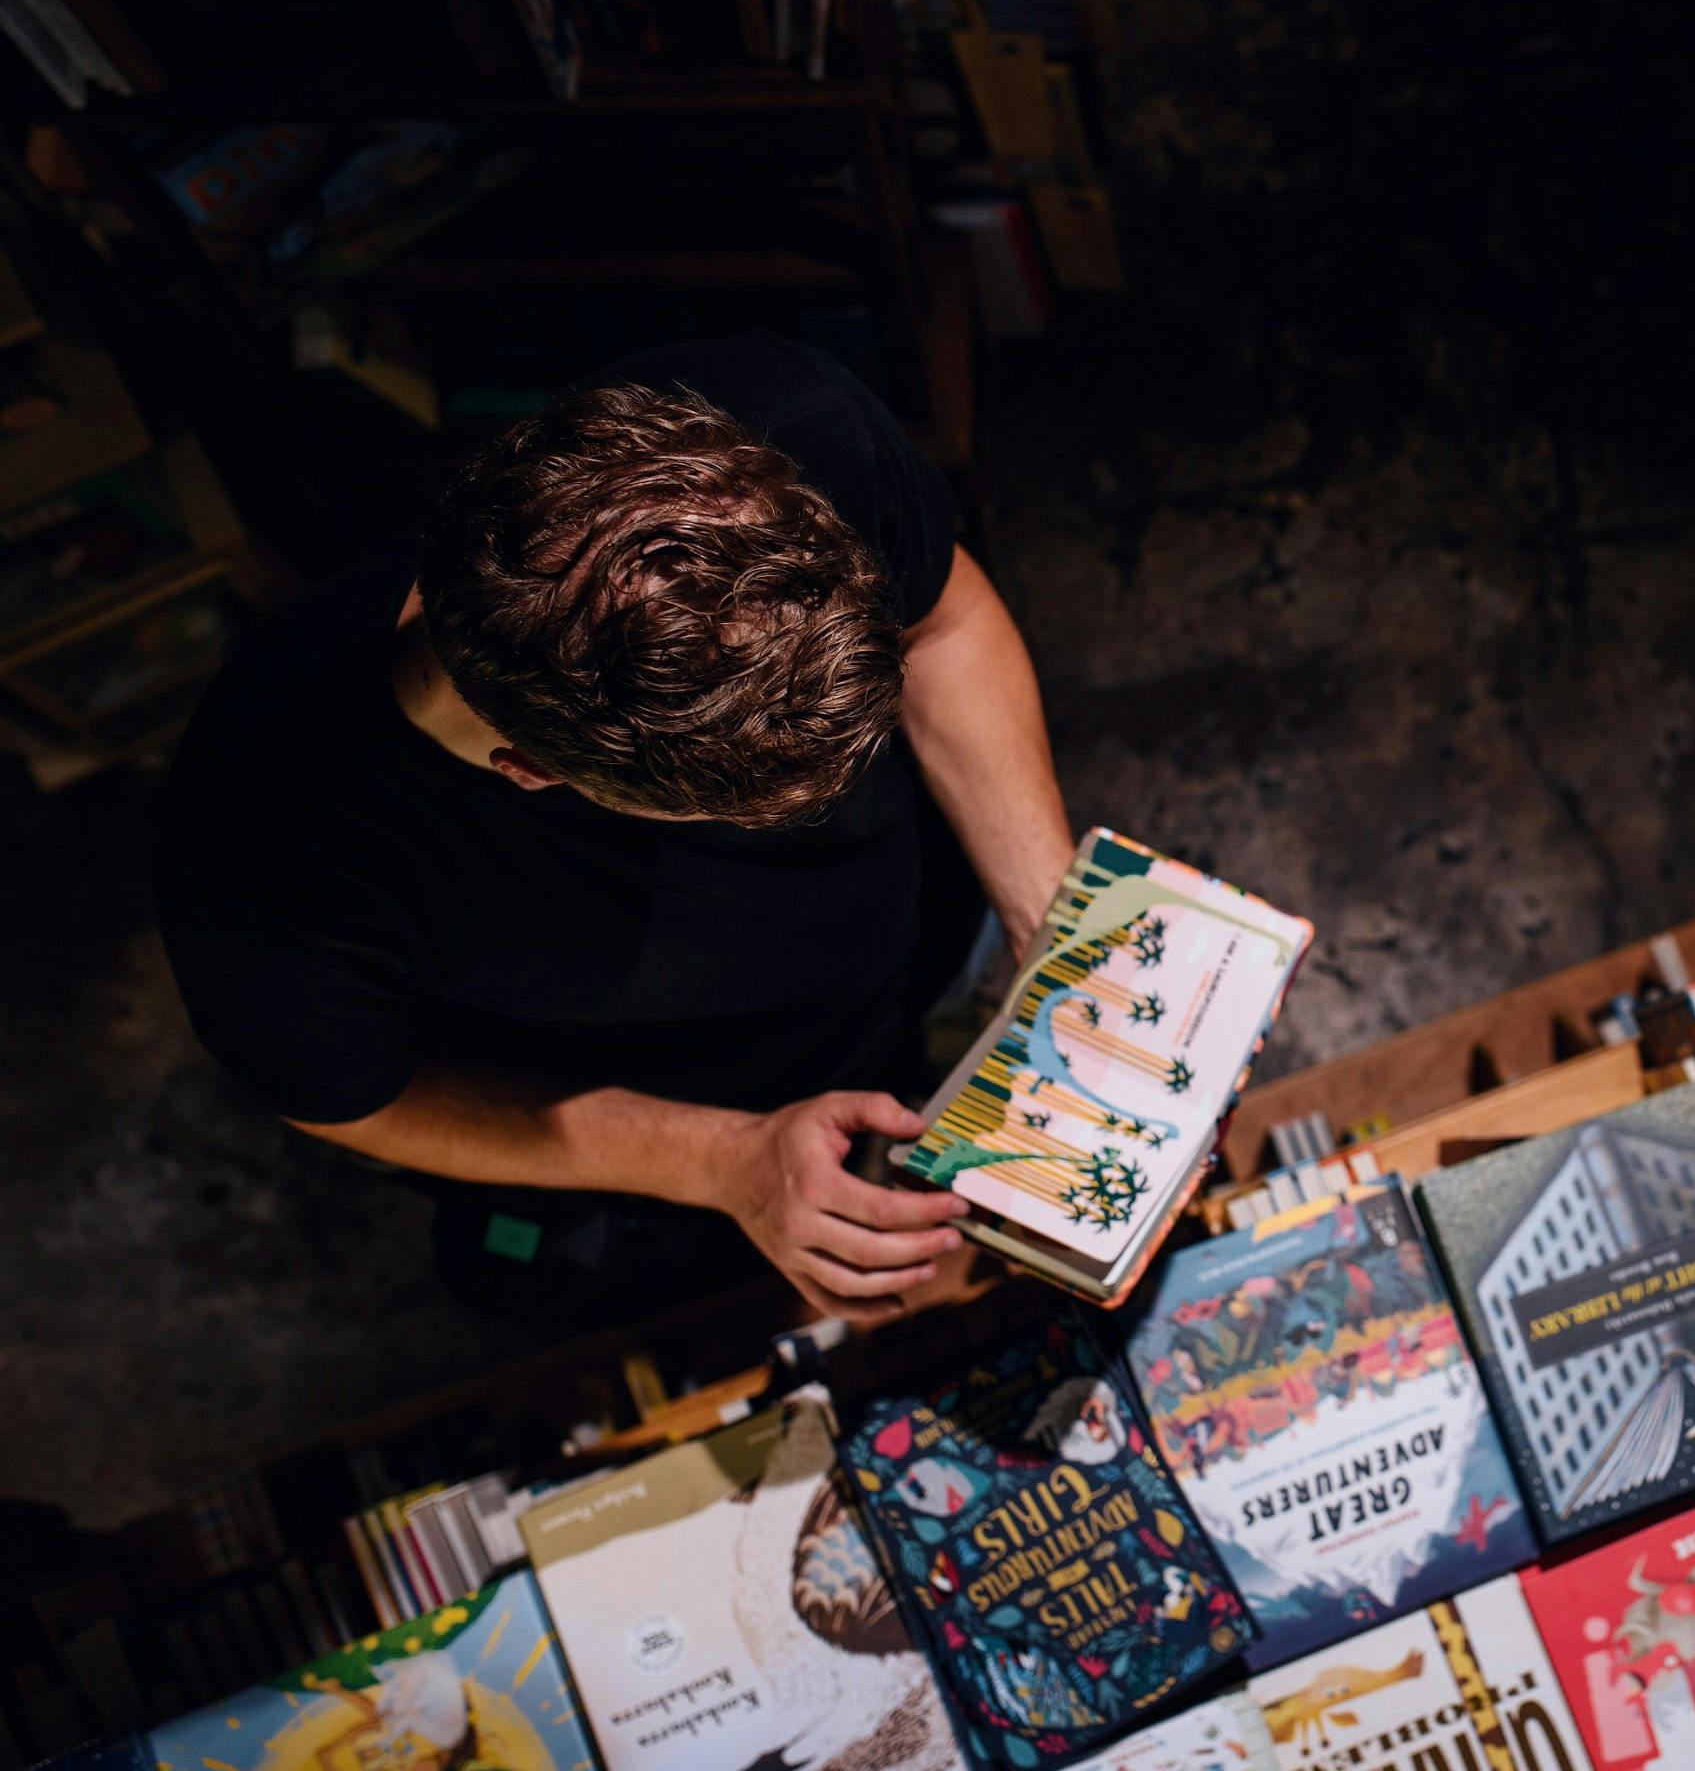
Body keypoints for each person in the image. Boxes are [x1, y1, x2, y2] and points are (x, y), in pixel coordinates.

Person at [154, 334, 1074, 1327]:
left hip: (898, 946)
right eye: (749, 813)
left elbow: (942, 620)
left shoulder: (787, 423)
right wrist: (726, 1161)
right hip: (693, 1096)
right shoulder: (264, 865)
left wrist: (1053, 915)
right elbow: (351, 1096)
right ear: (532, 770)